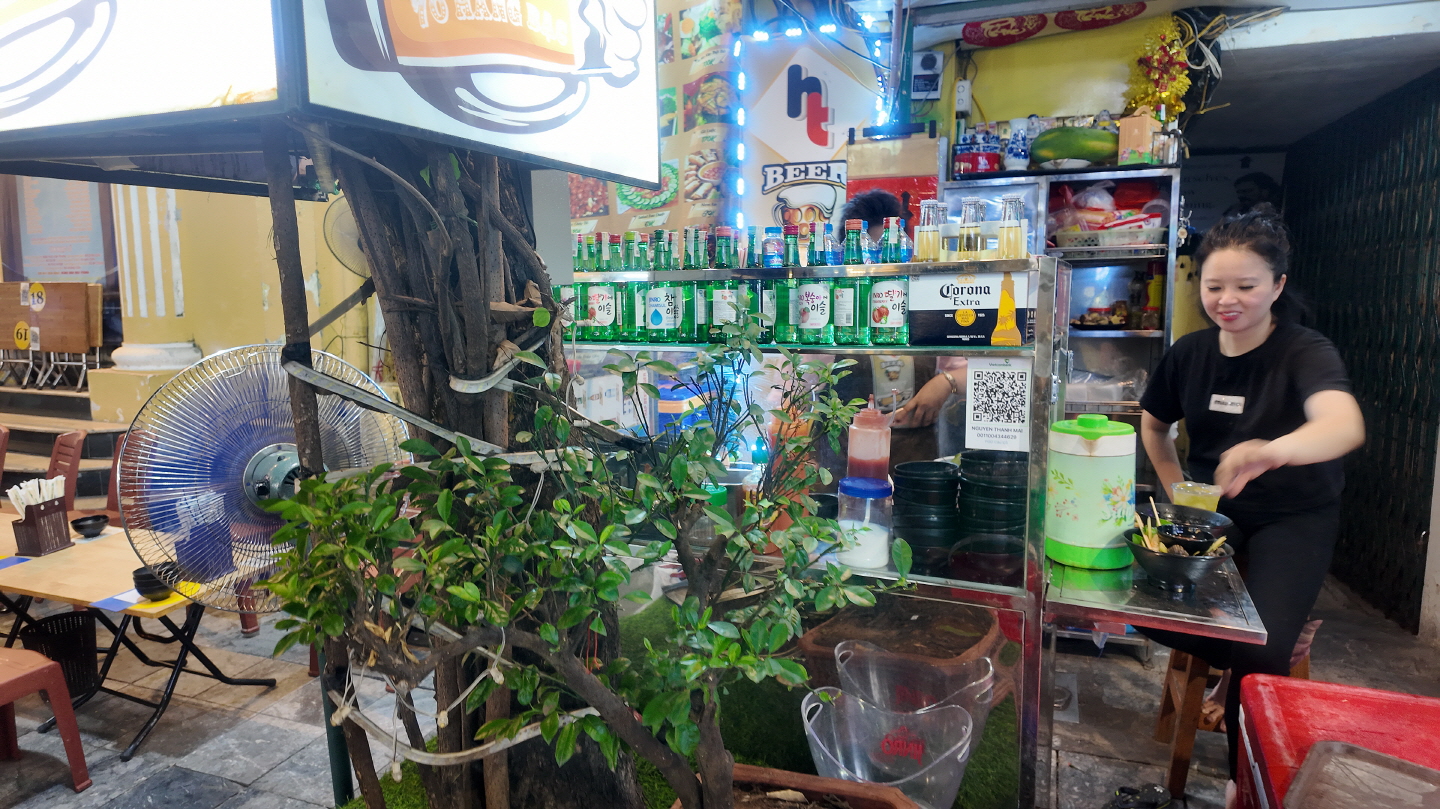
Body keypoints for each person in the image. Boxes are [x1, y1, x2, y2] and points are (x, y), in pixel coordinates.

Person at [1136, 205, 1364, 808]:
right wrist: (1175, 488)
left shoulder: (1304, 351)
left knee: (1260, 649)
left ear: (1278, 286)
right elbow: (1154, 425)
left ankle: (1244, 784)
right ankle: (1263, 644)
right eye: (1214, 286)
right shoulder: (1189, 352)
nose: (1227, 300)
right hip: (1215, 511)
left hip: (1295, 515)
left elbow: (1343, 425)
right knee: (1131, 602)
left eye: (1246, 286)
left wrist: (1270, 451)